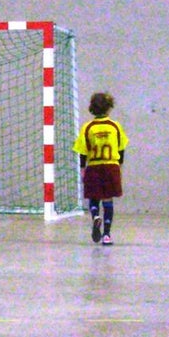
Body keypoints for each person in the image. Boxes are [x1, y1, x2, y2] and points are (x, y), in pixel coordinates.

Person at [72, 91, 129, 246]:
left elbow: (82, 151)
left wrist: (83, 168)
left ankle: (96, 216)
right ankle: (107, 235)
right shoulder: (115, 126)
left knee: (94, 197)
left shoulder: (88, 127)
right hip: (111, 165)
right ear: (109, 108)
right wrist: (120, 166)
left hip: (94, 166)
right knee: (108, 198)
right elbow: (121, 148)